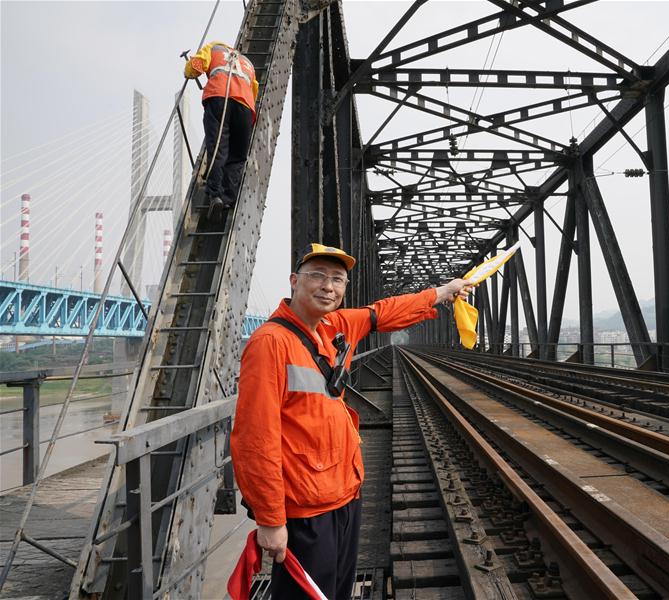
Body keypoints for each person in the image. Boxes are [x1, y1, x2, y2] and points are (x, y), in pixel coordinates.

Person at [230, 243, 473, 600]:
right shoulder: (270, 343)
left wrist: (442, 293)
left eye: (338, 279)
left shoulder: (335, 326)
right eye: (317, 276)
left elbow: (383, 312)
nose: (328, 286)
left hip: (345, 494)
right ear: (294, 281)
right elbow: (255, 439)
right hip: (306, 507)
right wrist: (270, 519)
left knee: (336, 592)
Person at [184, 41, 259, 220]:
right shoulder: (248, 63)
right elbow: (254, 89)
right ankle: (228, 199)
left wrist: (188, 69)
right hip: (245, 107)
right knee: (238, 156)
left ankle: (215, 195)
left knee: (218, 149)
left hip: (219, 98)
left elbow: (194, 68)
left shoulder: (213, 48)